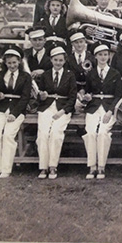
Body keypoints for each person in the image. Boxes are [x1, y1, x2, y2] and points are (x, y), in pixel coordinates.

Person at [81, 43, 122, 180]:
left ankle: (101, 167)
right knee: (91, 132)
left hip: (108, 108)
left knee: (103, 133)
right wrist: (87, 96)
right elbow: (88, 91)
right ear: (95, 57)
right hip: (94, 107)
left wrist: (111, 111)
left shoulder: (115, 73)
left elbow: (118, 95)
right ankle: (92, 166)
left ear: (109, 56)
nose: (103, 57)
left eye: (105, 54)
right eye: (100, 55)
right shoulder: (91, 73)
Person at [35, 44, 77, 180]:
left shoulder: (70, 75)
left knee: (56, 133)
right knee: (42, 134)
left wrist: (63, 111)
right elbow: (39, 95)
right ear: (51, 60)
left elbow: (72, 97)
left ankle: (53, 166)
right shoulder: (46, 75)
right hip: (46, 108)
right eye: (55, 60)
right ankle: (43, 167)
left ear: (64, 61)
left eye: (61, 60)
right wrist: (41, 96)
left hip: (63, 109)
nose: (58, 63)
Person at [0, 45, 32, 178]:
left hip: (17, 110)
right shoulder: (0, 75)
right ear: (5, 63)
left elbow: (25, 97)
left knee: (8, 135)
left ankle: (6, 169)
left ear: (19, 61)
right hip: (0, 108)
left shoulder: (25, 76)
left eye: (14, 62)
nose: (12, 65)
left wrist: (15, 113)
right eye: (9, 63)